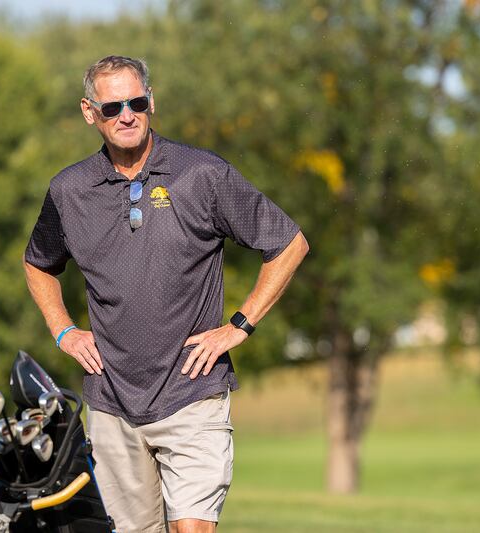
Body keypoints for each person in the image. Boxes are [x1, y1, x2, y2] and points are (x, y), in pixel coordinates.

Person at [24, 55, 308, 533]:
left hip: (193, 392)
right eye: (112, 107)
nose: (127, 115)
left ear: (151, 101)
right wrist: (64, 331)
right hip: (113, 401)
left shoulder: (202, 174)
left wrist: (239, 327)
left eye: (136, 102)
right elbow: (38, 264)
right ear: (89, 112)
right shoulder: (69, 190)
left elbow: (288, 244)